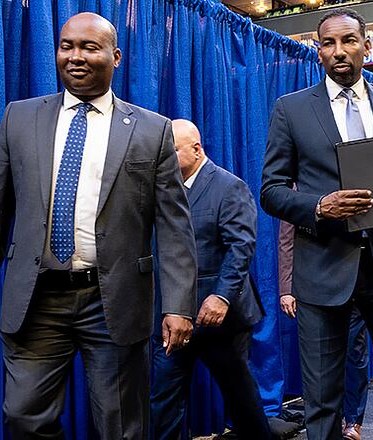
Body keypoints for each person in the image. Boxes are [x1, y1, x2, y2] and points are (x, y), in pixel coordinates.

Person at [0, 13, 197, 439]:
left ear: (115, 56)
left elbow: (175, 228)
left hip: (115, 302)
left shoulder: (152, 131)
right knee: (24, 418)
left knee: (121, 428)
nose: (76, 57)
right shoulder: (19, 118)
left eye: (89, 47)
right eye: (67, 46)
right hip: (36, 299)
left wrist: (178, 305)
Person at [261, 7, 373, 439]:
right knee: (322, 402)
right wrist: (320, 206)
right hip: (322, 270)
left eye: (348, 41)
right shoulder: (292, 109)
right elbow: (271, 190)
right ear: (318, 51)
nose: (339, 51)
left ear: (366, 46)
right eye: (328, 43)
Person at [150, 120, 271, 440]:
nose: (165, 159)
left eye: (171, 151)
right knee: (163, 399)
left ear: (196, 149)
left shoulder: (229, 186)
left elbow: (241, 247)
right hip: (173, 315)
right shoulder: (163, 190)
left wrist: (221, 296)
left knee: (240, 398)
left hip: (222, 318)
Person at [278, 222, 369, 440]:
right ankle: (329, 425)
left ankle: (354, 420)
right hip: (316, 287)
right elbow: (286, 240)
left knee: (354, 354)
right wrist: (286, 289)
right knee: (320, 365)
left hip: (356, 285)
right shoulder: (297, 189)